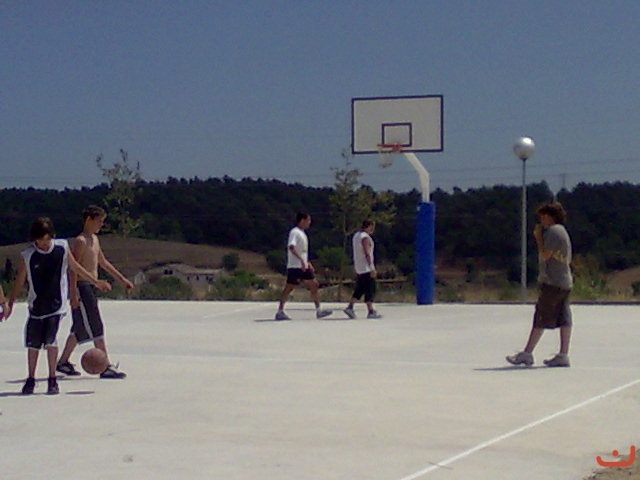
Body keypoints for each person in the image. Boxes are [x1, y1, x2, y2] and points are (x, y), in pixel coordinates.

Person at [2, 217, 111, 395]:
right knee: (33, 345)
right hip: (36, 305)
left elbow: (76, 268)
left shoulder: (62, 247)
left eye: (47, 239)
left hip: (56, 305)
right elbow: (20, 281)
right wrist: (10, 303)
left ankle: (52, 379)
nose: (44, 243)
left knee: (51, 342)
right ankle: (31, 378)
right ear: (34, 239)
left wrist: (96, 282)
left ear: (52, 236)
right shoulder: (28, 255)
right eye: (40, 240)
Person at [57, 205, 134, 379]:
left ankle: (62, 362)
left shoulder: (94, 240)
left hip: (91, 287)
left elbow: (103, 262)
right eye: (99, 221)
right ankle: (106, 366)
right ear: (88, 219)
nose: (101, 225)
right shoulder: (80, 241)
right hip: (82, 287)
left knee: (79, 327)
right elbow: (73, 269)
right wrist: (73, 293)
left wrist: (122, 279)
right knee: (95, 324)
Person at [506, 202, 573, 367]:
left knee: (541, 317)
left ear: (550, 217)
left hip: (553, 282)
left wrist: (538, 238)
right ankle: (563, 354)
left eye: (542, 217)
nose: (541, 221)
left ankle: (527, 353)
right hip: (564, 281)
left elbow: (545, 255)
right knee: (564, 318)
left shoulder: (553, 231)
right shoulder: (562, 231)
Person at [275, 212, 332, 320]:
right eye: (308, 220)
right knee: (289, 287)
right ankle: (280, 311)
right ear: (302, 220)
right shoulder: (295, 232)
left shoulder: (302, 233)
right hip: (295, 266)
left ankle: (319, 310)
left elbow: (303, 251)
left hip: (303, 266)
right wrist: (301, 260)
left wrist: (307, 262)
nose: (309, 222)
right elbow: (291, 247)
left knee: (314, 284)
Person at [344, 220, 382, 319]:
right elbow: (367, 252)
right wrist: (372, 267)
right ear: (369, 226)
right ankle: (371, 311)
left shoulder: (356, 236)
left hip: (359, 267)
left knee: (360, 289)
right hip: (366, 268)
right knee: (370, 289)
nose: (373, 230)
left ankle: (350, 307)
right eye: (372, 227)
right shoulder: (365, 237)